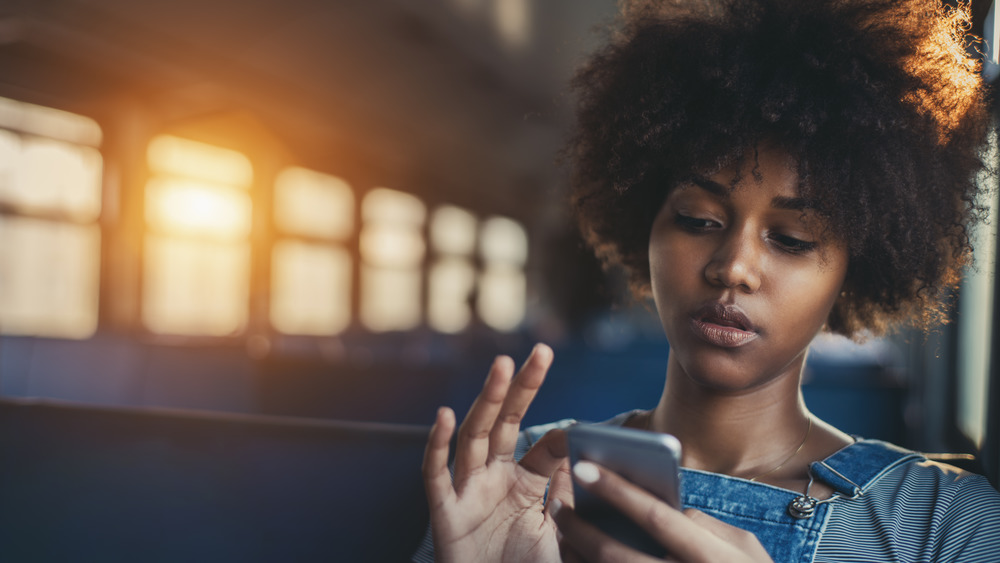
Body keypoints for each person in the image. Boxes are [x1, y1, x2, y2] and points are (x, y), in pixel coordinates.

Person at [415, 0, 1000, 561]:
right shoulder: (515, 476)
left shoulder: (950, 526)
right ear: (644, 223)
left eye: (793, 240)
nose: (732, 268)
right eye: (697, 220)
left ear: (856, 269)